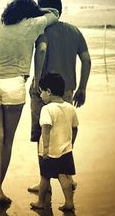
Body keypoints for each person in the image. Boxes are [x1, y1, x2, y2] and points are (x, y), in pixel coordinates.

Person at [0, 0, 59, 205]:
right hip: (13, 84)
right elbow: (54, 15)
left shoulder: (2, 22)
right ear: (31, 12)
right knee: (7, 140)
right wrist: (41, 12)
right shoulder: (34, 24)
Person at [28, 0, 91, 193]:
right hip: (67, 92)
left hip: (44, 92)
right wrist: (82, 88)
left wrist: (36, 81)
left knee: (42, 137)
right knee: (64, 137)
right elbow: (87, 60)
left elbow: (42, 50)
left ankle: (44, 183)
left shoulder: (42, 31)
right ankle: (68, 179)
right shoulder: (74, 31)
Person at [30, 73, 79, 211]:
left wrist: (45, 149)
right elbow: (75, 128)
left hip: (50, 151)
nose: (40, 96)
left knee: (45, 177)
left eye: (42, 92)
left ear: (49, 91)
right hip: (65, 149)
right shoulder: (70, 107)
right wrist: (71, 143)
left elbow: (45, 129)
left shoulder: (46, 109)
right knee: (64, 177)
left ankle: (40, 201)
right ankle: (69, 203)